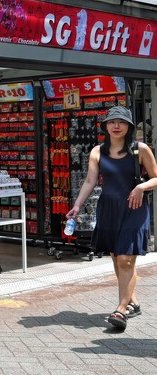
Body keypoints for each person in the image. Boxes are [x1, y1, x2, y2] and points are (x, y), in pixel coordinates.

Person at [66, 106, 157, 331]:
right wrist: (77, 206)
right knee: (118, 258)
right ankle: (133, 301)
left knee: (127, 258)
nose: (116, 126)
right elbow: (89, 181)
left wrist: (141, 187)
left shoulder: (140, 149)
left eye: (122, 122)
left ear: (128, 126)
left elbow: (156, 178)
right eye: (112, 122)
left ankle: (121, 310)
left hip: (134, 208)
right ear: (106, 126)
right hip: (108, 208)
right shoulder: (98, 151)